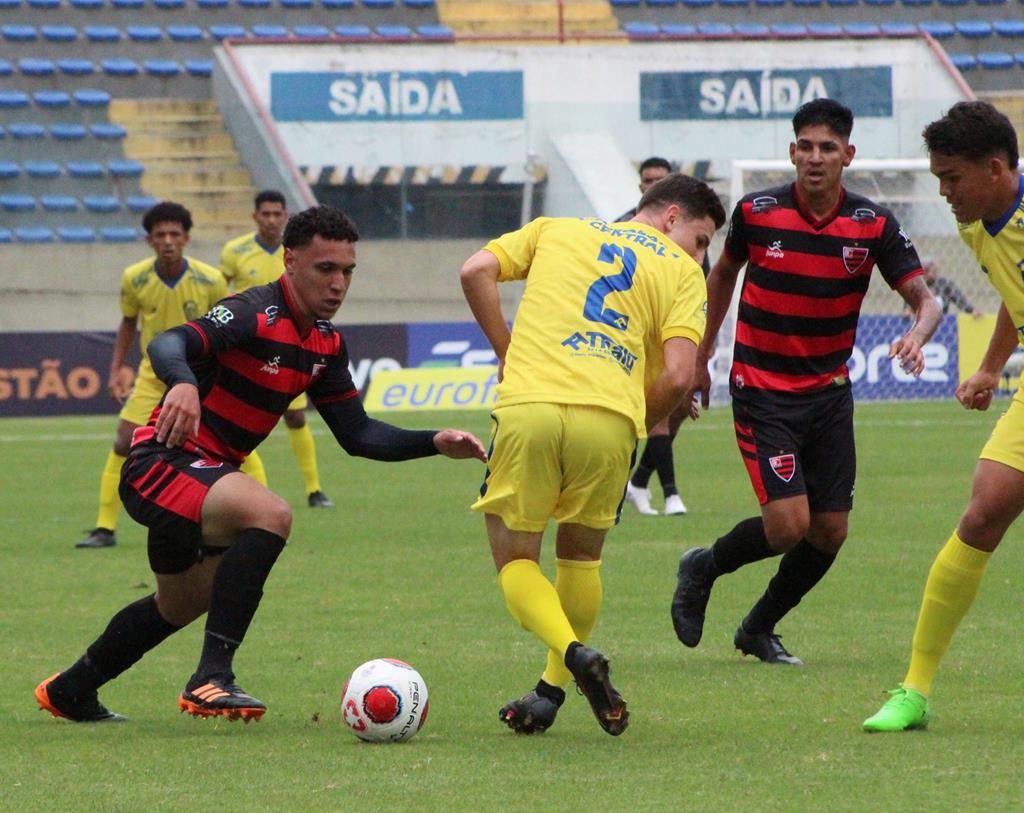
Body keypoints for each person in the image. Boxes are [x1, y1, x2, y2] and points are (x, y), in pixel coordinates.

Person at [37, 205, 487, 723]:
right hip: (161, 463)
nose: (339, 284)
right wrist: (182, 381)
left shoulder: (324, 344)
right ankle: (211, 678)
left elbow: (359, 434)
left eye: (347, 272)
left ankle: (71, 689)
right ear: (290, 261)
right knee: (271, 513)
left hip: (203, 478)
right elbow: (170, 341)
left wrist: (434, 440)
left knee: (179, 604)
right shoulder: (254, 311)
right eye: (326, 269)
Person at [670, 98, 942, 666]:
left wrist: (916, 334)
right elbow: (722, 276)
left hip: (828, 393)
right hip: (762, 388)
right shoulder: (757, 211)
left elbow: (926, 300)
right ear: (792, 152)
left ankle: (758, 627)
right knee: (790, 524)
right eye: (806, 147)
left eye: (828, 148)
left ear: (847, 154)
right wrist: (702, 355)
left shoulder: (872, 224)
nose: (815, 158)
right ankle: (705, 565)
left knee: (830, 531)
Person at [461, 173, 726, 735]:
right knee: (580, 559)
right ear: (672, 217)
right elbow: (680, 373)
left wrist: (506, 352)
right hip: (608, 422)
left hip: (530, 406)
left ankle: (573, 655)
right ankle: (552, 688)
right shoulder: (682, 274)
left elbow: (475, 271)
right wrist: (636, 417)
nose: (701, 257)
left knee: (516, 562)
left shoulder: (555, 229)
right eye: (702, 241)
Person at [863, 101, 1024, 731]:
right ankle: (914, 690)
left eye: (952, 178)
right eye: (937, 178)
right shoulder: (977, 223)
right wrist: (989, 367)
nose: (944, 192)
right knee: (983, 512)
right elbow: (1017, 296)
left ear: (993, 168)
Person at [75, 202, 230, 549]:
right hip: (152, 374)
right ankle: (105, 528)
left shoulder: (211, 279)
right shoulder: (136, 278)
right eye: (160, 235)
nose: (168, 241)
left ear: (187, 238)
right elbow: (129, 323)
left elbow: (226, 330)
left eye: (175, 234)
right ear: (149, 241)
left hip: (198, 375)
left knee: (227, 445)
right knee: (122, 441)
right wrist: (117, 369)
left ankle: (252, 519)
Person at [221, 189, 334, 508]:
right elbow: (221, 291)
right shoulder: (235, 251)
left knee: (296, 418)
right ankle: (259, 492)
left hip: (289, 345)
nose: (271, 220)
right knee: (242, 419)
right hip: (248, 350)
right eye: (265, 214)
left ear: (285, 216)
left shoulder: (298, 252)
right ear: (255, 216)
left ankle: (314, 489)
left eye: (277, 214)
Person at [621, 158, 711, 517]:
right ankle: (670, 493)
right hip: (635, 338)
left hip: (677, 332)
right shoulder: (624, 226)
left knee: (674, 412)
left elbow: (701, 290)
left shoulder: (691, 239)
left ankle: (638, 482)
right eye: (647, 180)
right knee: (662, 408)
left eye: (658, 179)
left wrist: (702, 349)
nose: (650, 183)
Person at [902, 256, 981, 319]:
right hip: (919, 317)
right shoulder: (916, 284)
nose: (927, 274)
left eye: (929, 270)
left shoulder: (943, 284)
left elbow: (958, 298)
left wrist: (971, 310)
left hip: (940, 319)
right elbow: (908, 301)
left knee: (938, 300)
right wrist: (907, 310)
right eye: (925, 270)